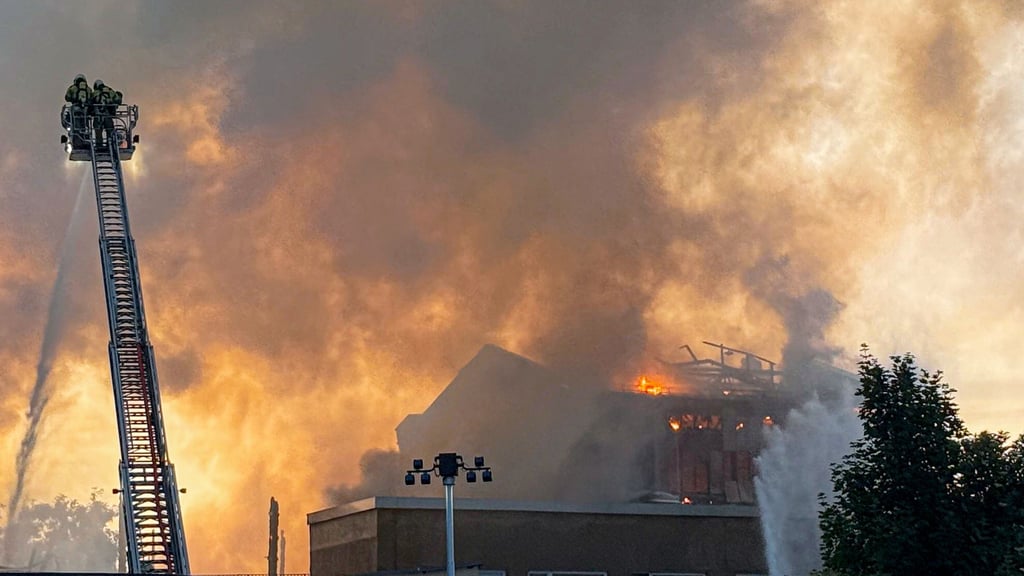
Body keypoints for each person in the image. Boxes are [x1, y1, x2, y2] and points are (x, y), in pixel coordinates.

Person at [64, 74, 92, 147]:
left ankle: (77, 142)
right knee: (85, 127)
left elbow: (67, 97)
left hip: (75, 110)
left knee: (75, 127)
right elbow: (91, 99)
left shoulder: (72, 88)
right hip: (85, 111)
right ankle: (86, 141)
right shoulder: (88, 89)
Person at [91, 79, 120, 146]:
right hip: (108, 115)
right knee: (110, 130)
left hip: (98, 116)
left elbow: (91, 102)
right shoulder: (110, 91)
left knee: (98, 131)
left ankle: (99, 145)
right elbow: (117, 99)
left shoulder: (95, 93)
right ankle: (110, 144)